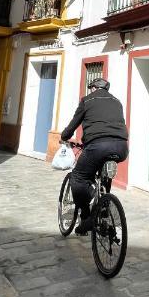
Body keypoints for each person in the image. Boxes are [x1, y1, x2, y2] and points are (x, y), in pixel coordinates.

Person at [60, 77, 128, 235]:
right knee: (105, 175)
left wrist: (64, 136)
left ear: (93, 88)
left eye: (90, 88)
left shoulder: (87, 100)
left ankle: (89, 214)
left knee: (78, 177)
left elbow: (73, 123)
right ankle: (103, 207)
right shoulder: (117, 102)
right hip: (121, 147)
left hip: (98, 146)